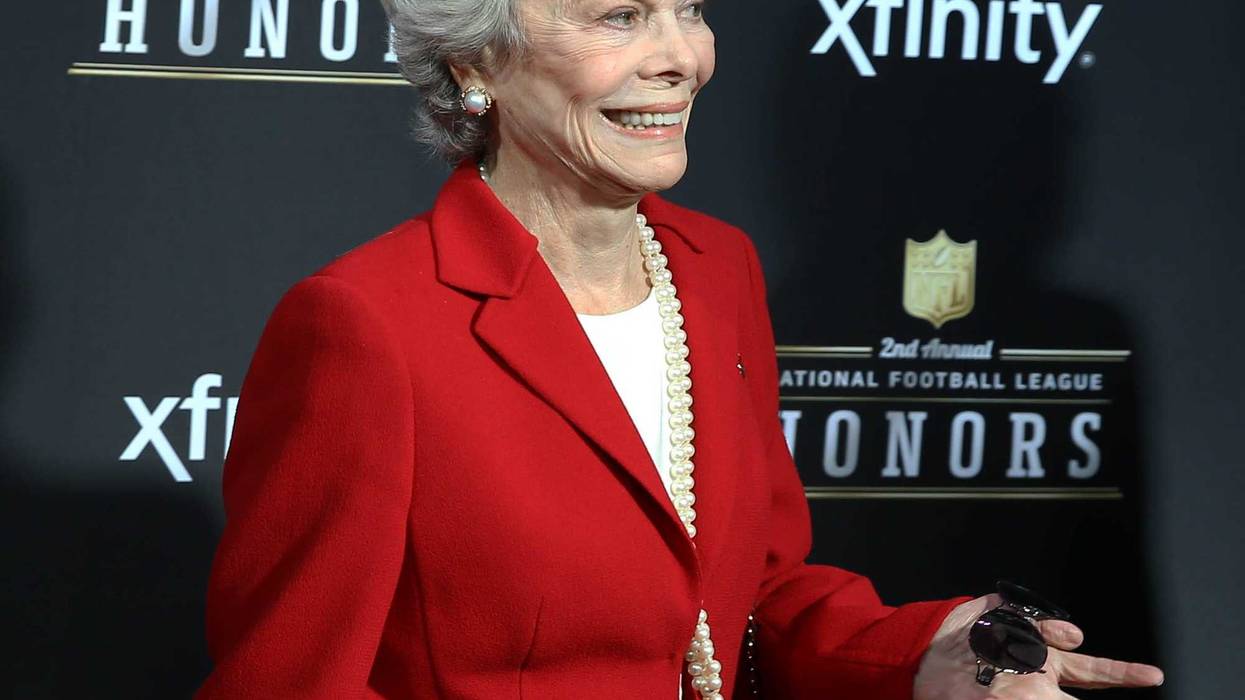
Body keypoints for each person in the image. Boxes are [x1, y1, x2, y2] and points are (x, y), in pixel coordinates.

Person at [196, 0, 1166, 697]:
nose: (682, 58)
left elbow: (750, 601)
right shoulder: (365, 325)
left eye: (689, 11)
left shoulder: (717, 270)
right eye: (620, 17)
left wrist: (924, 652)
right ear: (474, 63)